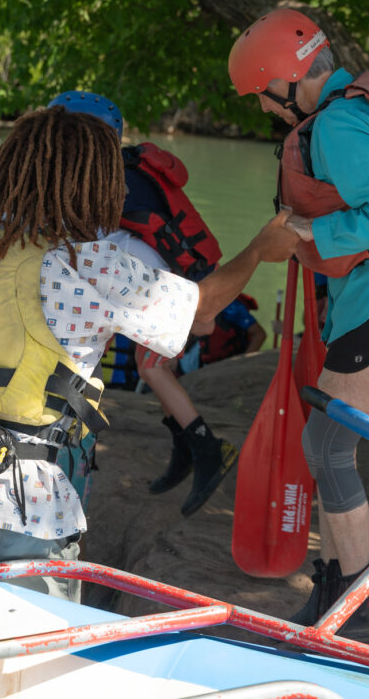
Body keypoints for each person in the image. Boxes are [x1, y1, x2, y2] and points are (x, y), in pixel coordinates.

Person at [0, 106, 297, 601]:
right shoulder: (87, 263)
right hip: (23, 505)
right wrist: (259, 251)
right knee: (30, 664)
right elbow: (200, 312)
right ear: (90, 184)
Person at [229, 7, 369, 644]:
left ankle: (360, 610)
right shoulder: (355, 109)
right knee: (324, 443)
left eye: (265, 97)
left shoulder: (337, 126)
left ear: (289, 79)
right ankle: (333, 586)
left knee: (329, 446)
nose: (268, 112)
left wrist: (305, 231)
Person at [48, 91, 239, 517]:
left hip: (172, 285)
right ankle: (189, 446)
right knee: (153, 365)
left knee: (152, 366)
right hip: (174, 277)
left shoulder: (106, 183)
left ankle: (207, 448)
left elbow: (90, 244)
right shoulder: (126, 170)